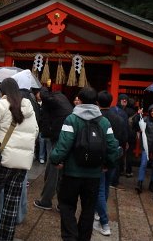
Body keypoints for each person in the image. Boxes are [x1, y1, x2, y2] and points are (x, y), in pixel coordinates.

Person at [50, 87, 119, 241]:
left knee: (67, 206)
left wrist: (55, 160)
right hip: (94, 175)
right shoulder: (104, 121)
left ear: (79, 101)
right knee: (88, 209)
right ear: (96, 102)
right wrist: (108, 164)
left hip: (71, 174)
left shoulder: (72, 119)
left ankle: (70, 236)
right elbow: (113, 148)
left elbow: (63, 146)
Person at [0, 77, 38, 241]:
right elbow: (35, 131)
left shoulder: (2, 104)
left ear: (1, 90)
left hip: (3, 159)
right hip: (22, 163)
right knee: (12, 201)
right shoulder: (29, 106)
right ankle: (5, 236)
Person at [33, 87, 73, 211]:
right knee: (60, 173)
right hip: (65, 136)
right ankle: (62, 203)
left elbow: (46, 116)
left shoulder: (50, 99)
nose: (37, 97)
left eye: (37, 94)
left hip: (59, 137)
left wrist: (43, 95)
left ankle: (46, 201)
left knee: (52, 170)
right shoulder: (61, 98)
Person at [94, 90, 126, 236]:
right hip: (114, 157)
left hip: (100, 158)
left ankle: (104, 222)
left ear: (97, 103)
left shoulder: (97, 119)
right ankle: (99, 212)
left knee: (100, 190)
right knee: (106, 187)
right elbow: (124, 138)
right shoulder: (118, 118)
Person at [133, 104, 153, 194]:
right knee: (143, 164)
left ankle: (152, 183)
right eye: (151, 111)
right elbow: (136, 125)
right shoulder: (146, 120)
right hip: (146, 146)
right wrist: (138, 115)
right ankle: (140, 183)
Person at [115, 94, 136, 178]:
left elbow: (136, 124)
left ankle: (128, 170)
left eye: (125, 100)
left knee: (128, 155)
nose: (124, 101)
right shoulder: (116, 110)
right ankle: (120, 170)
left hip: (129, 136)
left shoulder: (131, 111)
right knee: (120, 153)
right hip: (120, 135)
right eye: (123, 99)